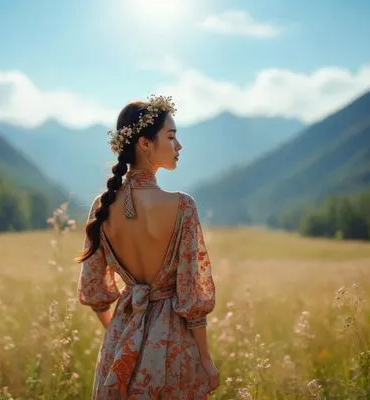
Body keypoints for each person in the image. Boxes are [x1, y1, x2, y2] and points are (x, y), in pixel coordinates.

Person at [75, 95, 219, 399]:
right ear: (144, 143)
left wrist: (126, 334)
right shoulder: (182, 206)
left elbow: (95, 291)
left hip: (120, 345)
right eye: (171, 137)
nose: (179, 146)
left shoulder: (102, 207)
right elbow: (192, 294)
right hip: (173, 347)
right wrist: (205, 359)